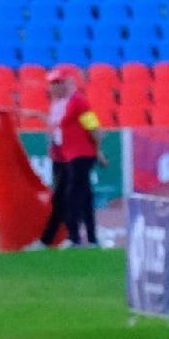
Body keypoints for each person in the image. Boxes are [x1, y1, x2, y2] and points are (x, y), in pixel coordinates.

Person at [26, 64, 102, 247]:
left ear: (67, 83)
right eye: (52, 83)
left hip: (79, 154)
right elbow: (57, 128)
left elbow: (94, 127)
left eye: (57, 83)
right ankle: (87, 238)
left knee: (72, 195)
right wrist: (39, 116)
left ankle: (75, 238)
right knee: (77, 196)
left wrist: (97, 150)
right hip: (65, 155)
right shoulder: (57, 105)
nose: (53, 87)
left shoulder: (78, 102)